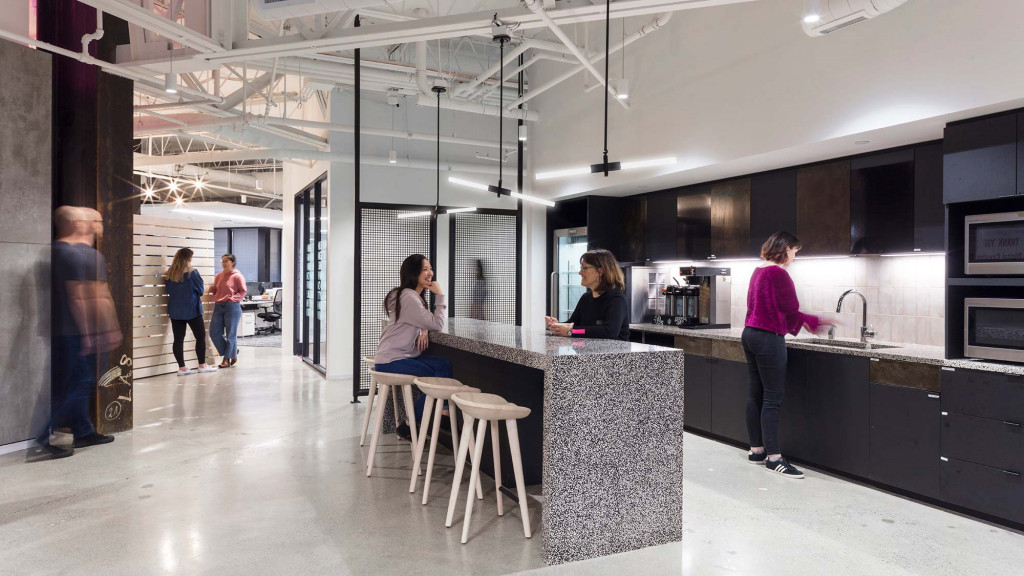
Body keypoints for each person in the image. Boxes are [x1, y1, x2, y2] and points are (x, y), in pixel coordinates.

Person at [743, 231, 830, 479]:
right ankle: (774, 459)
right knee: (772, 398)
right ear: (785, 248)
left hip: (750, 334)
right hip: (768, 337)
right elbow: (790, 310)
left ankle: (757, 451)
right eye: (794, 251)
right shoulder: (778, 273)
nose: (794, 257)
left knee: (755, 395)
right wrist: (816, 322)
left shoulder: (758, 270)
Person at [37, 206, 122, 459]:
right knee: (80, 383)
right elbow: (83, 297)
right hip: (76, 332)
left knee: (76, 382)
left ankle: (83, 431)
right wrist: (96, 332)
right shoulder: (80, 254)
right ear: (77, 223)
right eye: (95, 220)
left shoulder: (57, 251)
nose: (99, 225)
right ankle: (47, 434)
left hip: (63, 331)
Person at [372, 254, 450, 441]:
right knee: (436, 375)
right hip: (392, 361)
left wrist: (423, 328)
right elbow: (437, 324)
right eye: (425, 269)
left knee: (443, 364)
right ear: (413, 273)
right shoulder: (409, 298)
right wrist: (439, 296)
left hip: (393, 358)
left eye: (430, 268)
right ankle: (410, 422)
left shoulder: (407, 296)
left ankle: (444, 412)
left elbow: (421, 319)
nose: (430, 273)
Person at [545, 248, 630, 341]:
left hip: (614, 354)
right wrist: (555, 325)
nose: (580, 272)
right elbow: (572, 324)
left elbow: (610, 332)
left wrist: (572, 331)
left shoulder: (616, 299)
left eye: (584, 268)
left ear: (600, 271)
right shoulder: (586, 298)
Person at [165, 248, 216, 376]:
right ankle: (202, 365)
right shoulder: (192, 273)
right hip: (192, 309)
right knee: (200, 337)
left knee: (178, 339)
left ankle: (182, 368)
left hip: (175, 310)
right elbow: (200, 290)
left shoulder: (170, 274)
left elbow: (170, 291)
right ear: (188, 258)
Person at [209, 254, 246, 369]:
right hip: (219, 306)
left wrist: (232, 299)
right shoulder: (218, 276)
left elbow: (243, 291)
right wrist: (213, 290)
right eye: (222, 261)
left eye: (226, 261)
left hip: (232, 307)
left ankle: (226, 359)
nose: (223, 263)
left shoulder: (237, 276)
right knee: (214, 332)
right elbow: (216, 289)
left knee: (231, 334)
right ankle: (232, 352)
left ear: (232, 263)